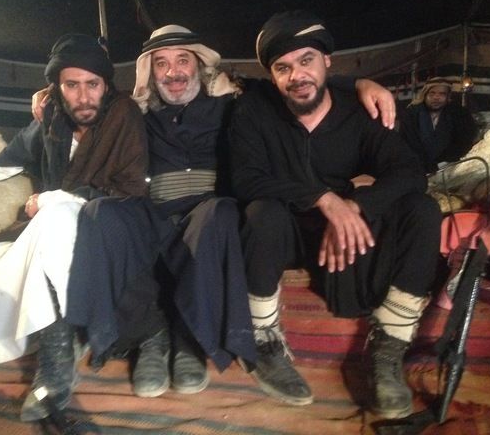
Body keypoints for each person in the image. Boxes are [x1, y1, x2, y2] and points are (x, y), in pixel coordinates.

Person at [39, 24, 397, 401]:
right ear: (150, 71)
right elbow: (85, 106)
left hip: (208, 214)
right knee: (101, 213)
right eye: (161, 63)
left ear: (199, 64)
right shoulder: (136, 111)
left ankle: (190, 341)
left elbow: (295, 84)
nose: (173, 72)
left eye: (182, 60)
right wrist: (49, 95)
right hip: (155, 213)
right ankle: (148, 338)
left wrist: (359, 82)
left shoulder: (235, 101)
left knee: (219, 213)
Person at [229, 10, 442, 418]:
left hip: (347, 230)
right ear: (272, 76)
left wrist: (357, 206)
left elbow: (408, 171)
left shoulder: (358, 112)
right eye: (283, 68)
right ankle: (263, 341)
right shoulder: (254, 110)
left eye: (306, 60)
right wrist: (324, 200)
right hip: (287, 229)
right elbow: (245, 178)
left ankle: (388, 348)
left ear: (328, 61)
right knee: (261, 212)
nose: (297, 75)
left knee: (421, 209)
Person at [0, 33, 149, 422]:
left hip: (111, 224)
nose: (83, 96)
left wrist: (52, 199)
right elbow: (18, 153)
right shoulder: (53, 116)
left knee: (54, 216)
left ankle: (54, 370)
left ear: (106, 84)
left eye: (92, 84)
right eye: (71, 85)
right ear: (56, 88)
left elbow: (130, 190)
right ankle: (64, 340)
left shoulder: (125, 115)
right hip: (56, 229)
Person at [400, 77, 478, 173]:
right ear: (425, 94)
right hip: (417, 168)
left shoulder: (459, 114)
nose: (436, 97)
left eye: (442, 94)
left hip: (449, 167)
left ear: (448, 96)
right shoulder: (412, 114)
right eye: (432, 93)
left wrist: (445, 162)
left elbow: (464, 140)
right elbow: (407, 143)